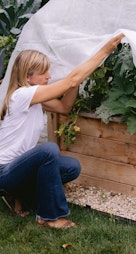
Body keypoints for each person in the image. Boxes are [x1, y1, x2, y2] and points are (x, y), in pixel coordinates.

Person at [0, 33, 124, 229]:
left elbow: (64, 107)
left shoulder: (34, 97)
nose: (49, 76)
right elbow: (69, 81)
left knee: (70, 166)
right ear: (27, 77)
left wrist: (77, 82)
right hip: (5, 171)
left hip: (19, 168)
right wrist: (106, 50)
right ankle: (49, 217)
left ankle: (20, 194)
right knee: (48, 151)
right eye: (43, 73)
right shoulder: (22, 95)